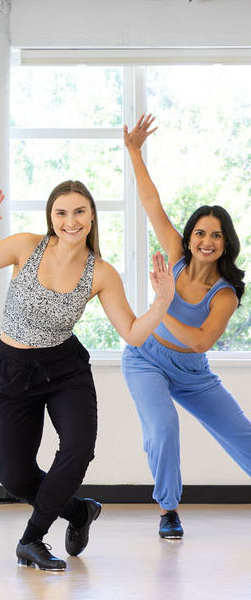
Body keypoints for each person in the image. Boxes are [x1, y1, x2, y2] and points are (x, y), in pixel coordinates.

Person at [0, 182, 175, 571]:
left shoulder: (101, 272)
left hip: (64, 369)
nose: (70, 221)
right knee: (15, 477)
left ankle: (31, 539)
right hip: (13, 369)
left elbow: (133, 333)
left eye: (79, 212)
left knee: (78, 447)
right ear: (51, 217)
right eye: (61, 213)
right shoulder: (25, 246)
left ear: (91, 217)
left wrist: (162, 301)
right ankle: (78, 511)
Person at [122, 114, 251, 539]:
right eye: (200, 232)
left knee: (242, 435)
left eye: (216, 235)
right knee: (163, 428)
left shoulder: (225, 293)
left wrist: (162, 304)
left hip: (192, 372)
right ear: (191, 236)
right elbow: (151, 204)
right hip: (145, 360)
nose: (206, 241)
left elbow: (198, 342)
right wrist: (135, 152)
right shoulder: (176, 255)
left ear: (225, 242)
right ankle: (168, 510)